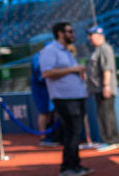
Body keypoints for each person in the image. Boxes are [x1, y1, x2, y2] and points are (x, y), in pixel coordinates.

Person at [40, 22, 94, 176]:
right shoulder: (50, 50)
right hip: (65, 99)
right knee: (71, 133)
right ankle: (68, 168)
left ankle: (75, 165)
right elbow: (46, 73)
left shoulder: (67, 51)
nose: (72, 34)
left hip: (76, 97)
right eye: (69, 31)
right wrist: (73, 69)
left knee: (75, 133)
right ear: (60, 33)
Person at [85, 26, 119, 152]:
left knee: (106, 115)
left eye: (92, 35)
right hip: (98, 89)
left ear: (100, 35)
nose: (89, 38)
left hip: (104, 88)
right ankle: (114, 140)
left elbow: (107, 69)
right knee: (105, 114)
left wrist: (106, 86)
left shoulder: (105, 48)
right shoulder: (97, 49)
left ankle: (111, 140)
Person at [31, 48, 59, 147]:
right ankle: (43, 137)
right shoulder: (37, 57)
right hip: (40, 90)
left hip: (49, 88)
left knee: (50, 111)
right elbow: (42, 75)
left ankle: (50, 135)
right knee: (43, 112)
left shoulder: (49, 56)